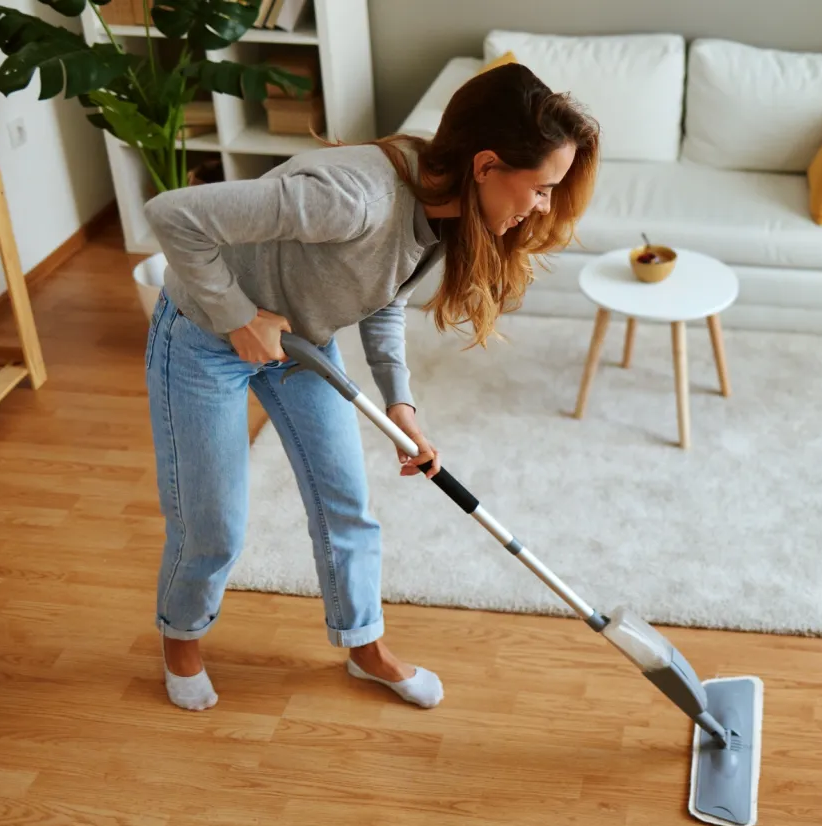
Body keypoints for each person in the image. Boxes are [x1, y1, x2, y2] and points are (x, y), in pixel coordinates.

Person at [141, 62, 600, 711]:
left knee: (346, 508)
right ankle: (181, 641)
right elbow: (172, 215)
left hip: (302, 344)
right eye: (543, 188)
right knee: (213, 525)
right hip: (204, 337)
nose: (544, 206)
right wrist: (238, 317)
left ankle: (364, 648)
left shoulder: (444, 207)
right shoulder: (351, 197)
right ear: (487, 165)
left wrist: (399, 403)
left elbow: (385, 294)